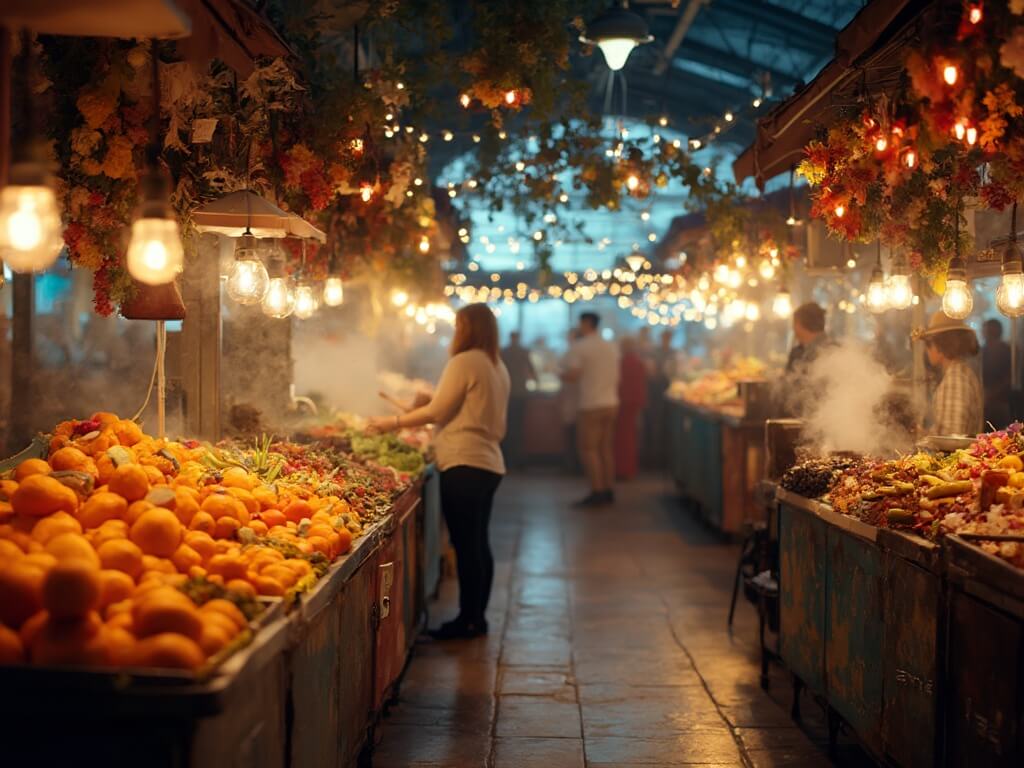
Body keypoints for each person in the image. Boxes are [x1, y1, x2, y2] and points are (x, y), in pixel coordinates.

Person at [369, 304, 510, 639]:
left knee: (466, 546)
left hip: (464, 461)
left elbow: (441, 409)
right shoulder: (495, 364)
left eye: (459, 324)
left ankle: (468, 620)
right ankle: (477, 617)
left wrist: (393, 422)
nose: (455, 331)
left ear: (467, 327)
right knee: (478, 544)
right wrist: (422, 409)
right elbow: (456, 408)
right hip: (488, 462)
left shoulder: (464, 361)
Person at [562, 312, 620, 506]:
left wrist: (557, 373)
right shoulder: (611, 347)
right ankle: (608, 489)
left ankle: (597, 490)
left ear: (586, 323)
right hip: (611, 402)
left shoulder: (581, 347)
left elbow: (573, 375)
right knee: (606, 449)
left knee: (589, 449)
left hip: (591, 404)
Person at [914, 312, 984, 436]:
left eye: (929, 344)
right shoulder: (962, 372)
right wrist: (920, 433)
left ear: (941, 346)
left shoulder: (955, 380)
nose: (927, 350)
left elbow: (952, 438)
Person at [500, 331, 537, 470]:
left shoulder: (504, 352)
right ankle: (518, 459)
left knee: (508, 427)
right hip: (521, 393)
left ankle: (508, 459)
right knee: (519, 427)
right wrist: (537, 383)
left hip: (507, 393)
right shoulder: (523, 351)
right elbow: (532, 370)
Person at [615, 336, 648, 480]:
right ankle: (627, 469)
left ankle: (624, 469)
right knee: (629, 437)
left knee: (624, 438)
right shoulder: (638, 362)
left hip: (624, 404)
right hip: (632, 404)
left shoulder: (623, 363)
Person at [982, 318, 1013, 428]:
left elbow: (1009, 378)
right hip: (986, 403)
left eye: (988, 332)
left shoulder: (1006, 350)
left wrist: (991, 394)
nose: (985, 334)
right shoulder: (983, 351)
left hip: (1001, 402)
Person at [786, 302, 832, 375]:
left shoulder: (830, 352)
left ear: (799, 325)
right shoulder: (797, 352)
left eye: (794, 323)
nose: (793, 328)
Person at [560, 329, 582, 473]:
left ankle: (572, 466)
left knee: (573, 435)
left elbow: (572, 376)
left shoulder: (574, 352)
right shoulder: (576, 352)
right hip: (578, 400)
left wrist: (559, 374)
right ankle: (574, 465)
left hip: (574, 400)